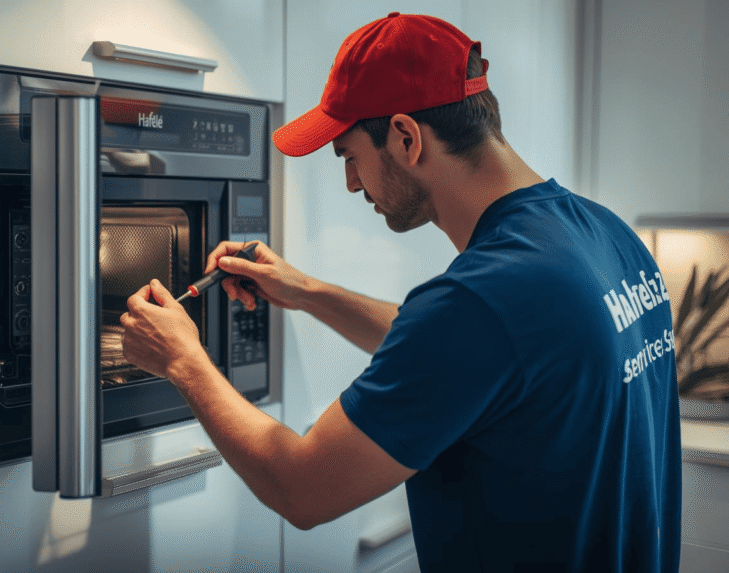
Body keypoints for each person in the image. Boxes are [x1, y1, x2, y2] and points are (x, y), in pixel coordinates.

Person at [120, 12, 681, 572]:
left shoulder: (482, 304)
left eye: (349, 156)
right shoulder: (605, 235)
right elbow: (485, 359)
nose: (351, 183)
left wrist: (183, 360)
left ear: (406, 137)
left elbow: (301, 488)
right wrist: (308, 292)